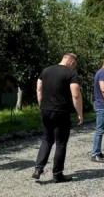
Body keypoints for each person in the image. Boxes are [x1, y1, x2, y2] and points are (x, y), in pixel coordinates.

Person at [33, 53, 83, 182]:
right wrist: (79, 113)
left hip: (46, 110)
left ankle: (38, 168)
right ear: (71, 61)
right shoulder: (71, 74)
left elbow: (39, 89)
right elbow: (76, 95)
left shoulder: (46, 70)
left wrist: (41, 105)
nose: (74, 67)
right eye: (74, 64)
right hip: (61, 112)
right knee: (61, 143)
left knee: (47, 139)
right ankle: (57, 174)